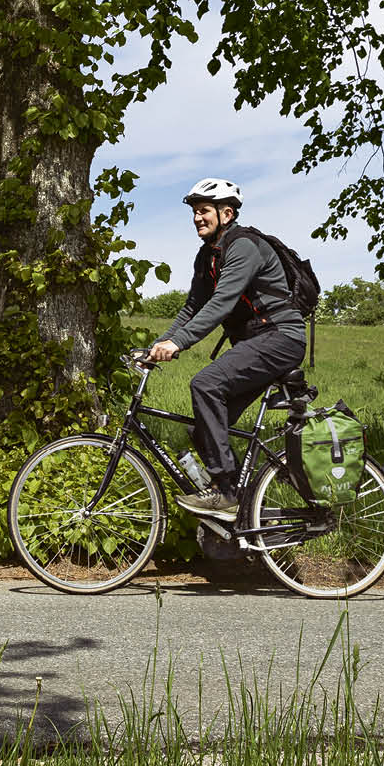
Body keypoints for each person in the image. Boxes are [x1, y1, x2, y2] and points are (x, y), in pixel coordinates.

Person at [147, 178, 309, 515]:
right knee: (203, 430)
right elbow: (192, 307)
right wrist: (157, 345)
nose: (197, 218)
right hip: (258, 341)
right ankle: (238, 511)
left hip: (280, 337)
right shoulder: (207, 257)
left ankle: (224, 491)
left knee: (205, 384)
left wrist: (179, 343)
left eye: (204, 210)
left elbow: (221, 303)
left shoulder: (243, 247)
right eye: (194, 212)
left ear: (227, 213)